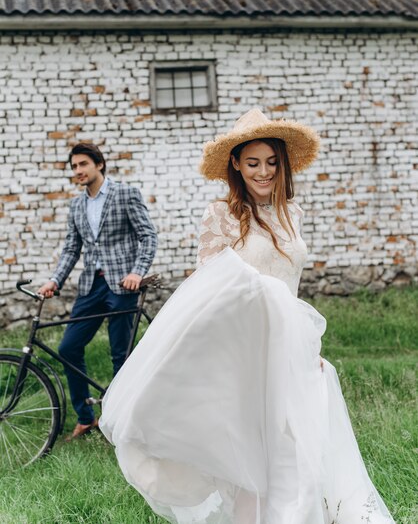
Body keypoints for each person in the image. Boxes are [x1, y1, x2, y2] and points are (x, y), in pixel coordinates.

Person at [99, 109, 394, 524]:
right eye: (253, 163)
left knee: (297, 454)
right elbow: (209, 291)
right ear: (235, 164)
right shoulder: (221, 215)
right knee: (252, 462)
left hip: (292, 351)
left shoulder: (294, 211)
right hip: (244, 354)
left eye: (272, 162)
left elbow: (291, 285)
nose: (264, 172)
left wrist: (308, 343)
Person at [39, 142, 157, 441]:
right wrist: (55, 280)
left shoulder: (125, 194)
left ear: (99, 165)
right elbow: (71, 248)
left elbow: (147, 235)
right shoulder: (77, 205)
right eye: (74, 167)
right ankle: (85, 417)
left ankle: (119, 424)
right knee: (68, 348)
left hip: (122, 285)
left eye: (83, 165)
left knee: (120, 354)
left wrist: (137, 272)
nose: (78, 171)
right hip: (91, 285)